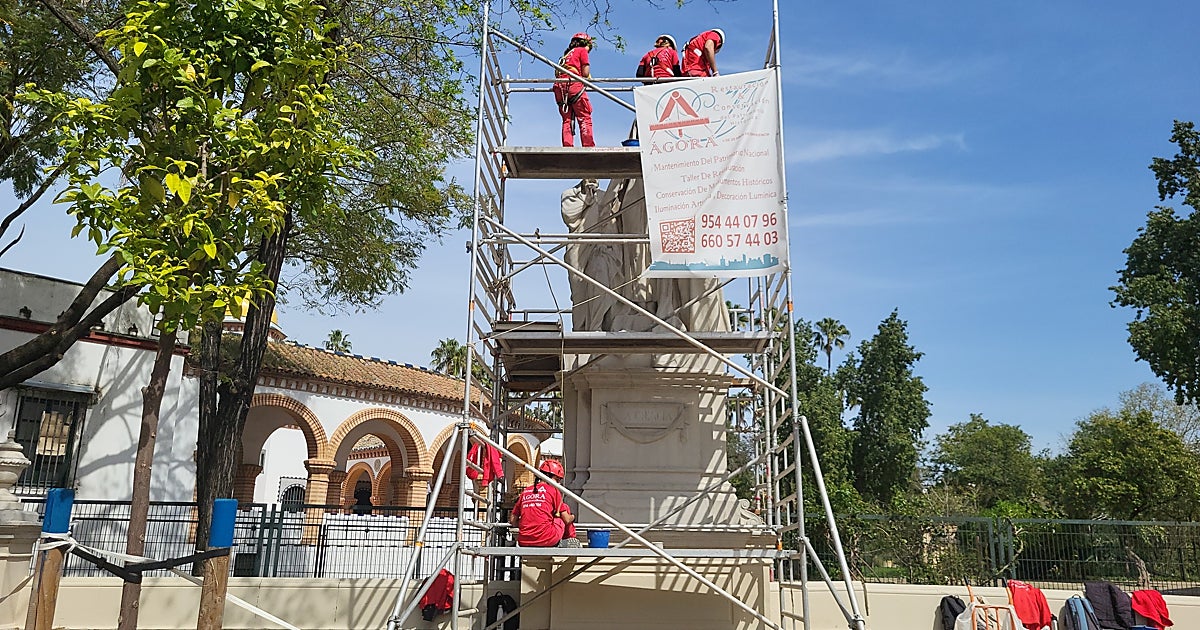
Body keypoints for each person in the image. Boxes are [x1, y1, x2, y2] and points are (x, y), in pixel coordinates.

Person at [509, 459, 578, 547]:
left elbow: (512, 520)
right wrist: (573, 516)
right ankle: (570, 541)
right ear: (548, 476)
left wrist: (528, 524)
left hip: (524, 541)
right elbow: (566, 519)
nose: (558, 483)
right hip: (547, 539)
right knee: (565, 508)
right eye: (557, 479)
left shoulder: (526, 491)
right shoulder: (554, 491)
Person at [554, 32, 595, 147]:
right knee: (584, 116)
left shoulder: (565, 56)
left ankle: (567, 146)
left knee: (567, 120)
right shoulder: (582, 51)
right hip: (573, 85)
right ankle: (588, 146)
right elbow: (585, 73)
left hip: (560, 87)